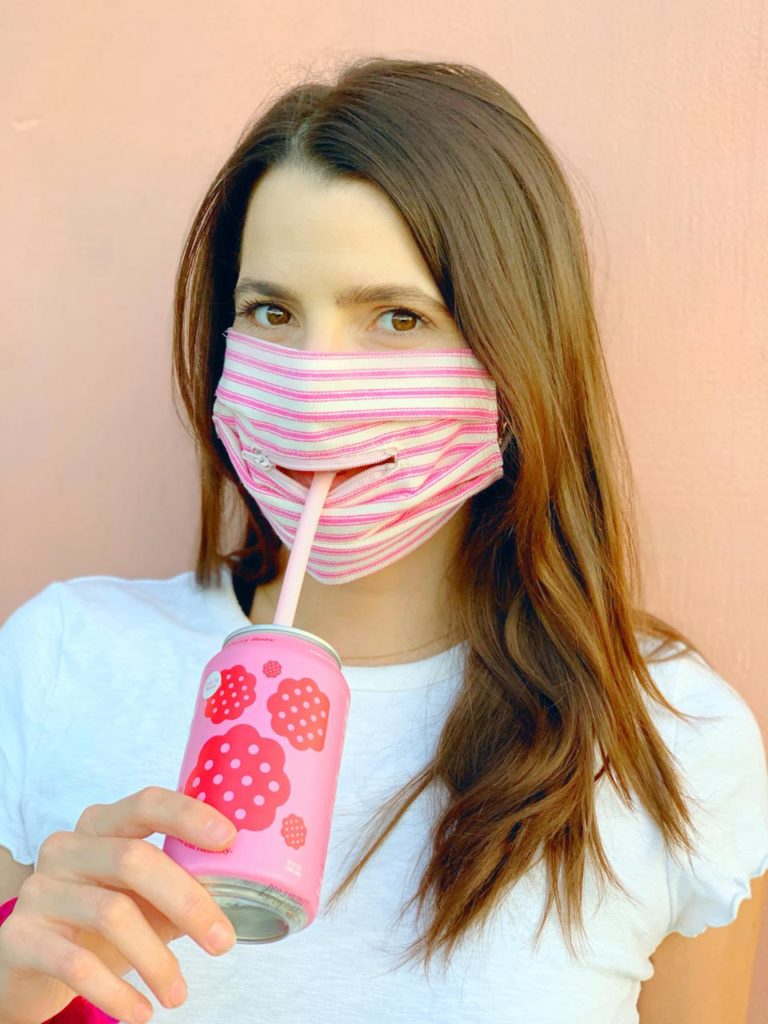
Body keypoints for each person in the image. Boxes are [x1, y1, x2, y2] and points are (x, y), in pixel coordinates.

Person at [0, 56, 766, 1024]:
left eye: (397, 317)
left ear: (516, 354)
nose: (316, 385)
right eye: (270, 311)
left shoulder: (669, 735)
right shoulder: (62, 659)